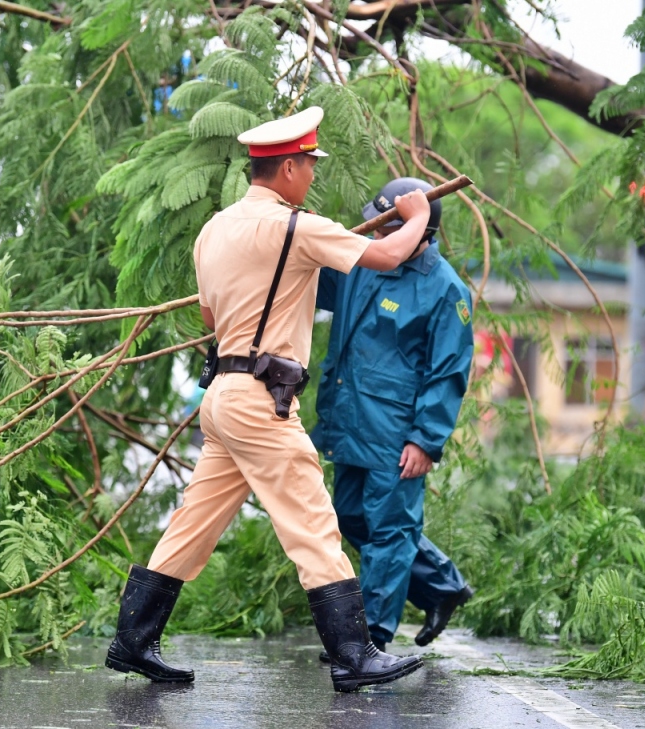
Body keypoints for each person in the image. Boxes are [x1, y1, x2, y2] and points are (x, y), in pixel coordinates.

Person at [105, 107, 432, 693]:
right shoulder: (297, 227)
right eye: (308, 164)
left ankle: (133, 638)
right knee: (312, 521)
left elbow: (210, 316)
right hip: (262, 402)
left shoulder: (213, 231)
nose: (311, 175)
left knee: (194, 521)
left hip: (224, 395)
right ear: (286, 168)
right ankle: (354, 654)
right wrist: (418, 214)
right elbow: (387, 256)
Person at [310, 177, 475, 655]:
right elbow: (306, 277)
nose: (377, 238)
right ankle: (440, 584)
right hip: (348, 420)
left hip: (396, 434)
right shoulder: (363, 263)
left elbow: (448, 373)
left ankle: (370, 639)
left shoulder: (445, 290)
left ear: (421, 233)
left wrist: (426, 439)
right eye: (377, 228)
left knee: (390, 529)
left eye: (387, 231)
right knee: (350, 519)